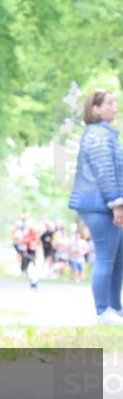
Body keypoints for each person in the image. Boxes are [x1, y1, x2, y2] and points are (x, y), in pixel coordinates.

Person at [68, 89, 123, 325]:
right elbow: (106, 173)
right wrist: (117, 203)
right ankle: (103, 312)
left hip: (106, 203)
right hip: (98, 204)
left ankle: (114, 308)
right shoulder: (98, 135)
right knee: (106, 258)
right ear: (95, 109)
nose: (115, 106)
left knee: (118, 258)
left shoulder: (106, 134)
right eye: (109, 103)